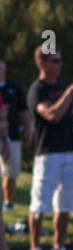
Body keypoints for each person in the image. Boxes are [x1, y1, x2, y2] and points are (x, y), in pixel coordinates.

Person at [27, 47, 73, 250]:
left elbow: (66, 123)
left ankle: (59, 249)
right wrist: (69, 93)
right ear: (42, 63)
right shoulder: (37, 89)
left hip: (67, 152)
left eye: (60, 60)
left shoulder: (63, 87)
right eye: (54, 60)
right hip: (47, 154)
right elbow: (52, 115)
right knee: (39, 204)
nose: (59, 65)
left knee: (65, 203)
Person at [0, 58, 32, 213]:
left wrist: (29, 127)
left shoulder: (14, 87)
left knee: (11, 171)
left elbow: (23, 110)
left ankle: (8, 202)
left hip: (11, 136)